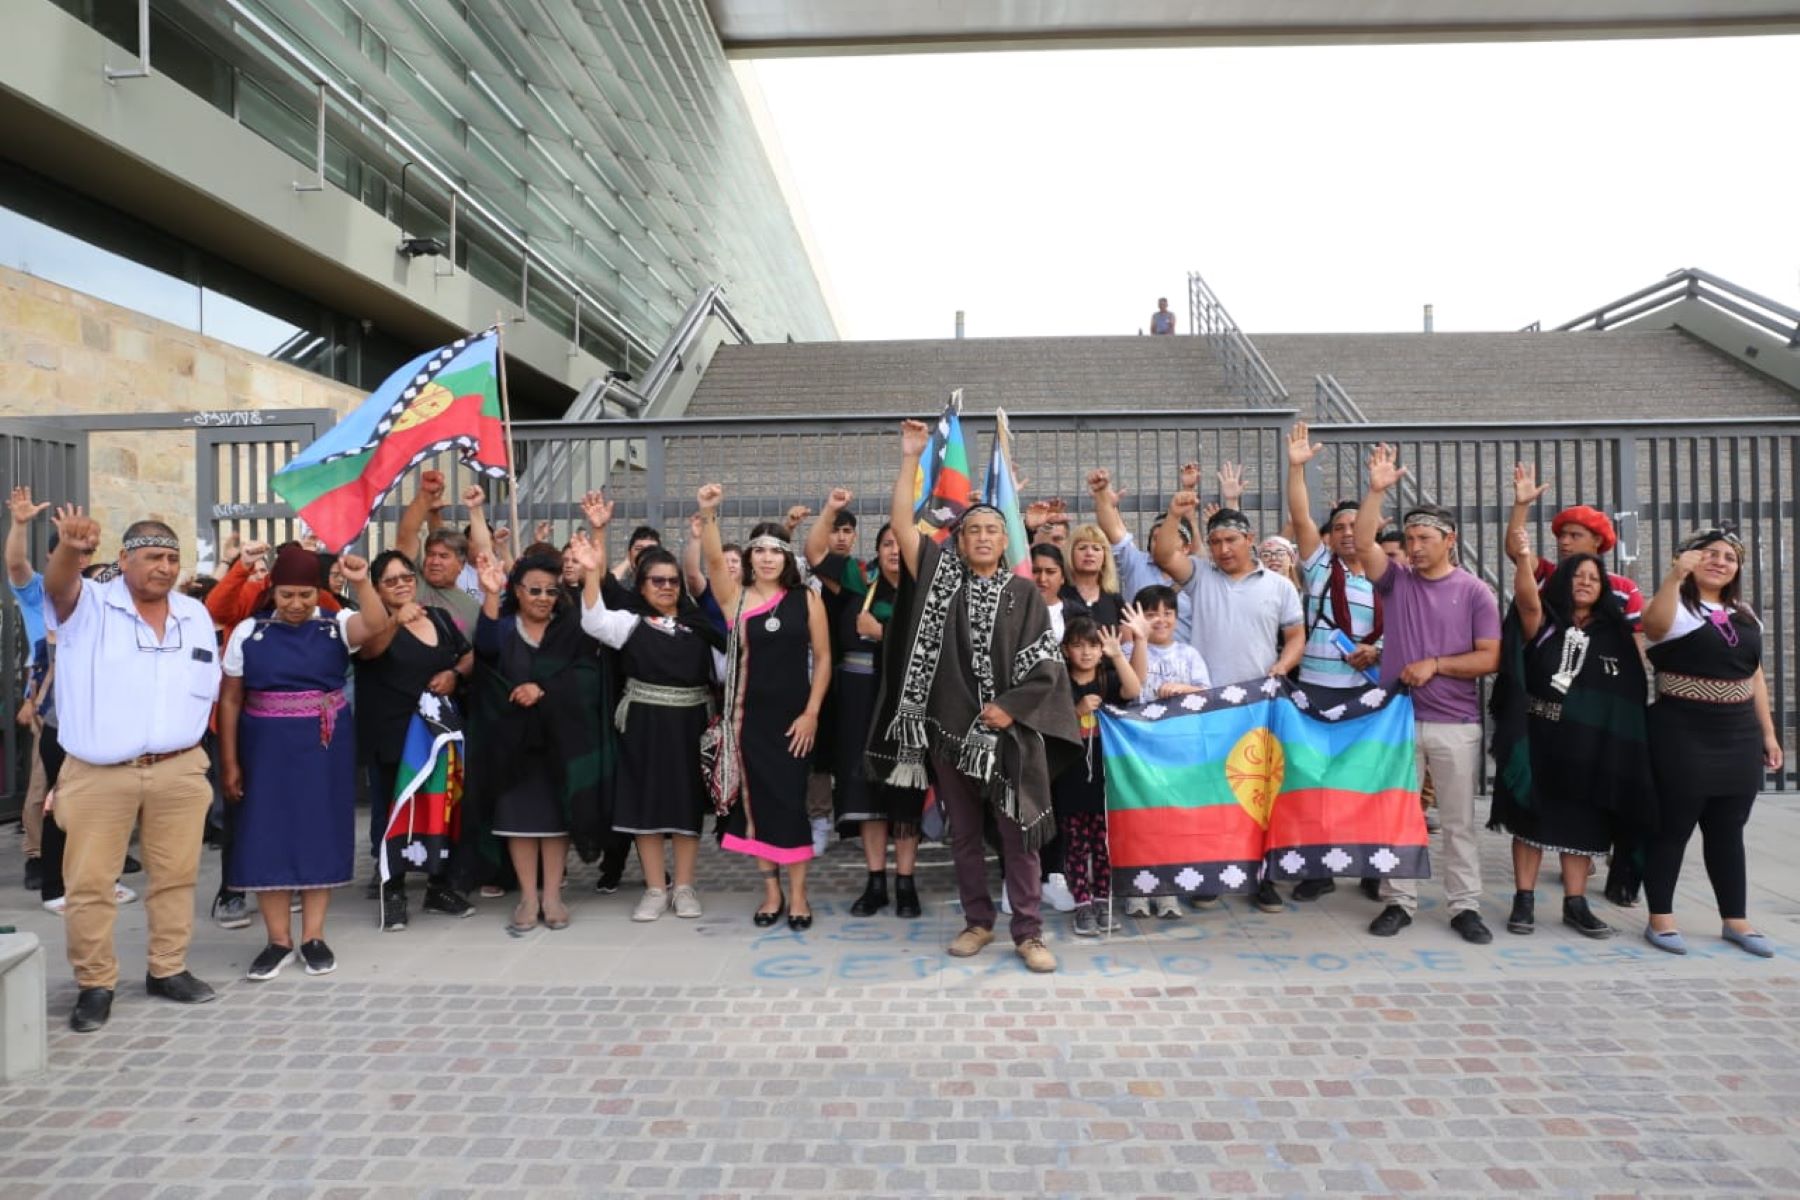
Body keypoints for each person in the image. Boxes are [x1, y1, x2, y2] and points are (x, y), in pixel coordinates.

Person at [871, 420, 1080, 973]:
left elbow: (1045, 663)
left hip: (1009, 733)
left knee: (1020, 836)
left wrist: (1009, 707)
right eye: (973, 531)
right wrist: (910, 458)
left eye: (992, 529)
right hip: (949, 731)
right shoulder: (940, 579)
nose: (984, 537)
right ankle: (977, 922)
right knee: (964, 837)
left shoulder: (1025, 592)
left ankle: (1029, 933)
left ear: (1005, 539)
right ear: (958, 543)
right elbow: (901, 525)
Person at [42, 510, 221, 1033]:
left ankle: (167, 969)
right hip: (101, 773)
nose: (163, 568)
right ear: (123, 561)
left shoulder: (193, 613)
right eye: (152, 558)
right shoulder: (87, 604)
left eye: (171, 558)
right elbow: (56, 585)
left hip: (179, 770)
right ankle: (95, 983)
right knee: (92, 884)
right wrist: (71, 550)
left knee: (176, 877)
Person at [1352, 445, 1502, 944]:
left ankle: (1464, 906)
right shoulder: (1397, 582)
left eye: (1424, 538)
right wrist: (1375, 491)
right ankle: (1400, 900)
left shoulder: (1476, 592)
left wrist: (1437, 664)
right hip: (1398, 719)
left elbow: (1490, 658)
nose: (1414, 547)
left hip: (1456, 724)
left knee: (1459, 823)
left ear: (1448, 540)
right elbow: (1361, 541)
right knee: (1399, 817)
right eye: (1410, 538)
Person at [218, 546, 387, 980]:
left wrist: (362, 581)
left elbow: (377, 623)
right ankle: (278, 941)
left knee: (317, 832)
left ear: (318, 593)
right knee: (266, 834)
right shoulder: (248, 633)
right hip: (264, 747)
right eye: (287, 595)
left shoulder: (336, 628)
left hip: (323, 747)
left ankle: (313, 936)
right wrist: (231, 761)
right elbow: (232, 698)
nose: (296, 605)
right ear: (272, 591)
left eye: (305, 596)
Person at [1489, 532, 1653, 940]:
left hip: (1591, 749)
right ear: (1562, 581)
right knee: (1531, 819)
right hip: (1539, 740)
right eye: (1577, 576)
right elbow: (1526, 597)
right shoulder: (1543, 620)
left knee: (1582, 823)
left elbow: (1629, 691)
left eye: (1593, 579)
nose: (1584, 583)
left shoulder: (1614, 634)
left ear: (1603, 591)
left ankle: (1575, 904)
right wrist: (1524, 556)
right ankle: (1523, 899)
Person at [1153, 493, 1304, 913]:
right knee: (1212, 791)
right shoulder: (1200, 575)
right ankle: (1211, 874)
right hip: (1207, 705)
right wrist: (1175, 513)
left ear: (1249, 539)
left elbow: (1295, 636)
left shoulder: (1279, 586)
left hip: (1258, 704)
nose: (1221, 549)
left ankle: (1262, 879)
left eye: (1230, 541)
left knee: (1260, 794)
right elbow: (1165, 553)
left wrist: (1282, 667)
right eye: (1215, 542)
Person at [1640, 529, 1782, 958]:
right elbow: (1654, 626)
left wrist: (1768, 733)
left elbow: (1754, 675)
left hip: (1737, 733)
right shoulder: (1676, 605)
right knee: (1674, 826)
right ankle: (1660, 917)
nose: (1720, 562)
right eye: (1710, 554)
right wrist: (1672, 577)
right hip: (1682, 730)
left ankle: (1735, 918)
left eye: (1729, 558)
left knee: (1728, 827)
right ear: (1689, 559)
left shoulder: (1744, 613)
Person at [574, 513, 721, 922]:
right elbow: (593, 620)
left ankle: (685, 887)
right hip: (642, 726)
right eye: (657, 580)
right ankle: (656, 889)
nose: (667, 587)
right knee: (646, 808)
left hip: (690, 725)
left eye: (673, 581)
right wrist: (590, 572)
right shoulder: (629, 623)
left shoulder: (698, 625)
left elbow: (727, 667)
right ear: (641, 585)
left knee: (686, 808)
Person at [697, 485, 831, 929]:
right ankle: (771, 892)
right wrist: (709, 512)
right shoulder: (735, 599)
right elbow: (715, 561)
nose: (769, 558)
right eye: (760, 550)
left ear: (788, 558)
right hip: (746, 723)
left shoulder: (806, 599)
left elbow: (824, 658)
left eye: (777, 550)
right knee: (754, 808)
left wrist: (811, 712)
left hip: (796, 723)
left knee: (790, 805)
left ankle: (798, 895)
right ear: (750, 557)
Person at [470, 550, 607, 934]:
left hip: (559, 738)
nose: (543, 598)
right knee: (518, 819)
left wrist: (543, 688)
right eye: (534, 590)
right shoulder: (504, 625)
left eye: (551, 591)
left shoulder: (570, 628)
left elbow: (586, 673)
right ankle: (528, 896)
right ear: (518, 591)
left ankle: (552, 895)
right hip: (511, 741)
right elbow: (486, 653)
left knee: (556, 819)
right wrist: (490, 594)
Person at [804, 493, 926, 920]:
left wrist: (882, 633)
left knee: (905, 794)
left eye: (900, 543)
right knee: (865, 791)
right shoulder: (860, 579)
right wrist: (830, 510)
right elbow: (815, 552)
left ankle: (906, 883)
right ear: (876, 552)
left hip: (904, 702)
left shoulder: (925, 586)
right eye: (887, 544)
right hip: (857, 698)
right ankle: (875, 881)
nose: (895, 550)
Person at [355, 549, 476, 930]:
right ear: (376, 589)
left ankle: (439, 886)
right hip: (393, 735)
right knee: (396, 813)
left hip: (437, 736)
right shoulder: (366, 624)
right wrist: (393, 620)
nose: (402, 585)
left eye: (406, 577)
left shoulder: (437, 617)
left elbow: (469, 654)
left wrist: (455, 673)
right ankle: (393, 892)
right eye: (391, 581)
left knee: (441, 807)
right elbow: (371, 651)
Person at [7, 486, 95, 893]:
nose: (82, 558)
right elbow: (16, 563)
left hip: (86, 696)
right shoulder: (38, 589)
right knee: (45, 780)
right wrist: (20, 525)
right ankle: (36, 855)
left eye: (87, 553)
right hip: (48, 694)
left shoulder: (94, 591)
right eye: (71, 549)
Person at [1119, 588, 1208, 919]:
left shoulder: (1189, 654)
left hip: (1178, 753)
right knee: (1139, 821)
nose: (1161, 620)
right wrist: (1138, 643)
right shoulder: (1127, 649)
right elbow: (1133, 690)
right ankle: (1137, 888)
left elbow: (1207, 693)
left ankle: (1168, 889)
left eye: (1167, 613)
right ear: (1138, 617)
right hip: (1137, 753)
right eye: (1152, 613)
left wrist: (1183, 690)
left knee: (1171, 821)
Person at [1055, 613, 1146, 936]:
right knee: (1076, 844)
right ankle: (1082, 904)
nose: (1086, 653)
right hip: (1069, 777)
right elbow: (1047, 723)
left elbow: (1134, 688)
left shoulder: (1107, 678)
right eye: (1078, 646)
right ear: (1066, 649)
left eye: (1093, 646)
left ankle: (1102, 901)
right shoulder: (1059, 681)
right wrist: (1076, 711)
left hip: (1106, 780)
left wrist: (1118, 653)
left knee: (1103, 844)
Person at [1089, 467, 1198, 641]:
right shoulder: (1136, 563)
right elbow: (1113, 530)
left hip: (1182, 662)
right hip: (1138, 659)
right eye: (1155, 538)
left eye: (1166, 538)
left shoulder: (1196, 573)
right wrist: (1101, 492)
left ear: (1186, 548)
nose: (1159, 544)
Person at [1063, 524, 1125, 627]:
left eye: (1096, 548)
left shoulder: (1115, 601)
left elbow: (1126, 641)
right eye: (1082, 548)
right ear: (1070, 554)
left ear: (1105, 556)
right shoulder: (1060, 595)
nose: (1089, 553)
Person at [1031, 544, 1071, 643]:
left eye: (1050, 572)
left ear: (1062, 577)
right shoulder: (1013, 612)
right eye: (1036, 571)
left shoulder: (1077, 614)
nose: (1042, 579)